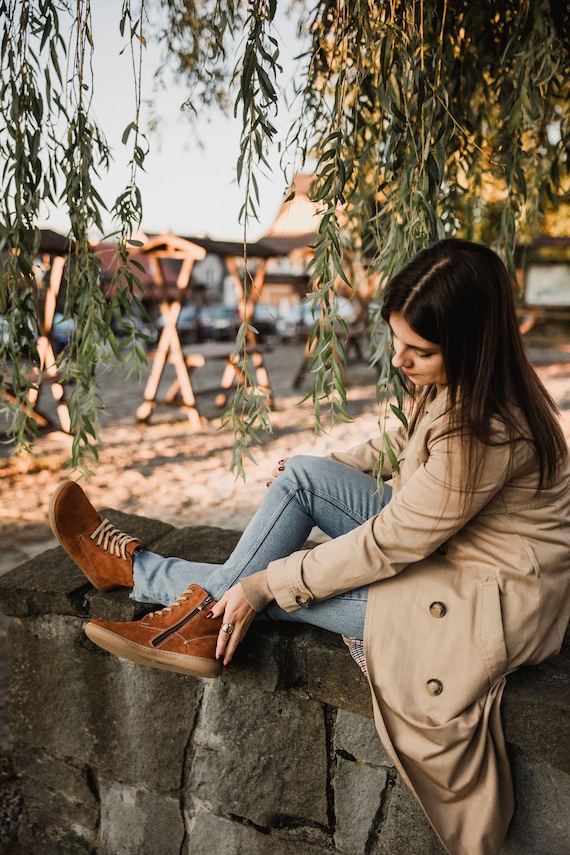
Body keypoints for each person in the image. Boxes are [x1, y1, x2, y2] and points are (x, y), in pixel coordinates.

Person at [49, 238, 570, 855]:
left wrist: (268, 582)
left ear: (470, 342)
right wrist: (328, 470)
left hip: (481, 607)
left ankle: (148, 580)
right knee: (300, 478)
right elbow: (405, 448)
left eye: (418, 350)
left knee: (263, 590)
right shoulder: (467, 380)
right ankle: (166, 590)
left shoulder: (484, 430)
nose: (399, 359)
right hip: (450, 557)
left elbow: (390, 544)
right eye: (395, 338)